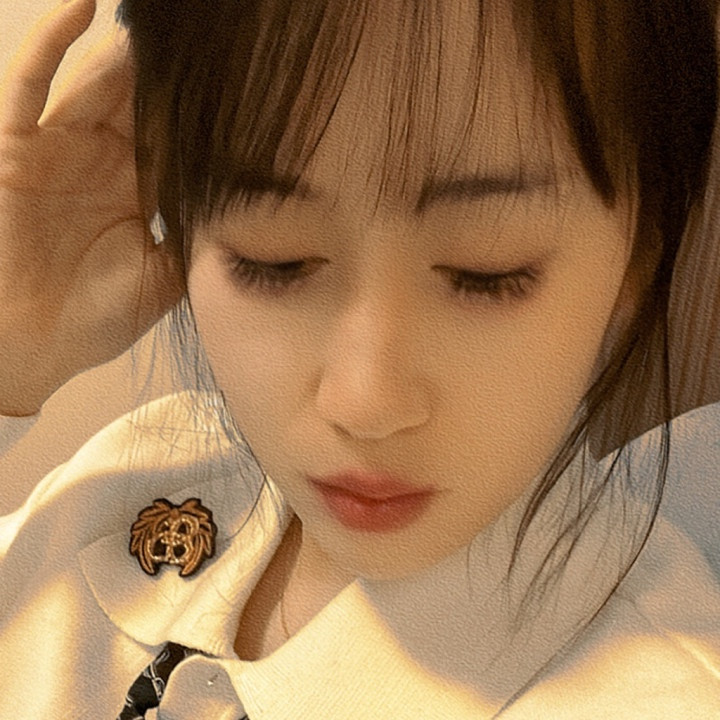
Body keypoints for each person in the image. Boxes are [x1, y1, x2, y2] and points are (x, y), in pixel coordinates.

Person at [1, 0, 719, 717]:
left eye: (486, 273)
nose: (364, 402)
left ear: (639, 254)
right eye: (274, 259)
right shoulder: (135, 472)